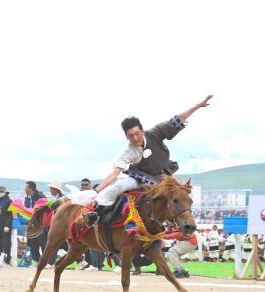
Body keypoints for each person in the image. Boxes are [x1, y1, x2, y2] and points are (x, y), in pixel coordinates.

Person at [88, 95, 213, 223]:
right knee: (120, 185)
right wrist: (95, 191)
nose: (135, 138)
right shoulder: (128, 152)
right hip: (138, 178)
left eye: (137, 134)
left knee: (178, 194)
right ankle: (94, 208)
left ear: (142, 131)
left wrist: (198, 106)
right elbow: (114, 174)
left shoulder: (156, 132)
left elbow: (178, 119)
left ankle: (181, 222)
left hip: (161, 178)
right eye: (131, 136)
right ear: (126, 137)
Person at [24, 180, 47, 265]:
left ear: (30, 188)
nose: (24, 189)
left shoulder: (40, 196)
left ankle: (46, 261)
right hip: (31, 224)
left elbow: (46, 208)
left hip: (40, 224)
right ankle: (38, 261)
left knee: (42, 242)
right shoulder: (27, 198)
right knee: (32, 244)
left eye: (25, 187)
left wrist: (35, 211)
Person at [0, 186, 13, 264]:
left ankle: (7, 259)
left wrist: (7, 225)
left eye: (1, 191)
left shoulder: (9, 201)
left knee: (6, 243)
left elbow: (10, 215)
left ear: (5, 193)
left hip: (5, 226)